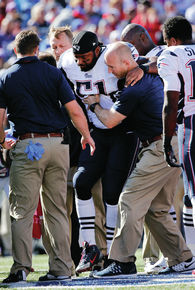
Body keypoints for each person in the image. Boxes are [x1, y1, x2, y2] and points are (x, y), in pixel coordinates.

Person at [83, 41, 195, 278]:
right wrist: (143, 65)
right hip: (173, 141)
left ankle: (122, 261)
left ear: (126, 62)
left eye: (112, 67)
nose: (110, 72)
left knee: (129, 200)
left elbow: (110, 120)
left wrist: (93, 105)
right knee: (156, 208)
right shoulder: (145, 69)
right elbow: (151, 62)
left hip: (159, 145)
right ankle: (182, 258)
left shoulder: (134, 86)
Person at [0, 29, 95, 283]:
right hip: (58, 145)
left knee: (22, 211)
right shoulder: (53, 73)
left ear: (15, 50)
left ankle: (21, 267)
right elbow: (74, 110)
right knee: (57, 210)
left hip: (28, 145)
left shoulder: (7, 76)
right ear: (36, 48)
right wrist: (86, 135)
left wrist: (1, 141)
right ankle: (63, 268)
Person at [60, 30, 140, 274]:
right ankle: (91, 248)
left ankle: (114, 254)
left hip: (124, 130)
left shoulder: (113, 55)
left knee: (112, 192)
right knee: (81, 182)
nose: (81, 62)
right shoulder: (66, 62)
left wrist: (143, 68)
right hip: (96, 130)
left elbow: (142, 59)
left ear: (97, 50)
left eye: (85, 56)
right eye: (77, 58)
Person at [120, 23, 178, 274]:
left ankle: (162, 256)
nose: (130, 50)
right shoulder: (146, 59)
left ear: (143, 37)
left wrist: (143, 67)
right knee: (157, 206)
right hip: (162, 138)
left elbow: (160, 61)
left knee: (175, 203)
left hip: (173, 136)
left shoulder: (164, 53)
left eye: (131, 43)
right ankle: (175, 257)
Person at [48, 26, 107, 266]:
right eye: (53, 46)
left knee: (97, 204)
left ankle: (103, 255)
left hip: (88, 146)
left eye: (61, 46)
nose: (57, 51)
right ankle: (67, 261)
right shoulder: (53, 71)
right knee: (63, 212)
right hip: (64, 153)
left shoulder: (86, 65)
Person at [158, 16, 195, 258]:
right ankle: (191, 252)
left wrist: (166, 140)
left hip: (191, 124)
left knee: (193, 193)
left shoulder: (170, 55)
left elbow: (171, 104)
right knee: (190, 198)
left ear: (171, 40)